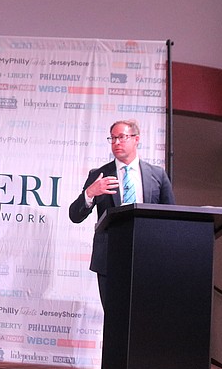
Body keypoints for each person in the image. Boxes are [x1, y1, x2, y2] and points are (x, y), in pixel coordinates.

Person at [68, 119, 174, 305]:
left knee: (145, 316)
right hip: (110, 258)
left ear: (136, 139)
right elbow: (75, 216)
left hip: (148, 256)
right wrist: (90, 193)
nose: (116, 143)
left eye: (122, 137)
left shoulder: (157, 175)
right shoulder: (99, 175)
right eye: (113, 138)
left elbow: (171, 218)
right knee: (114, 318)